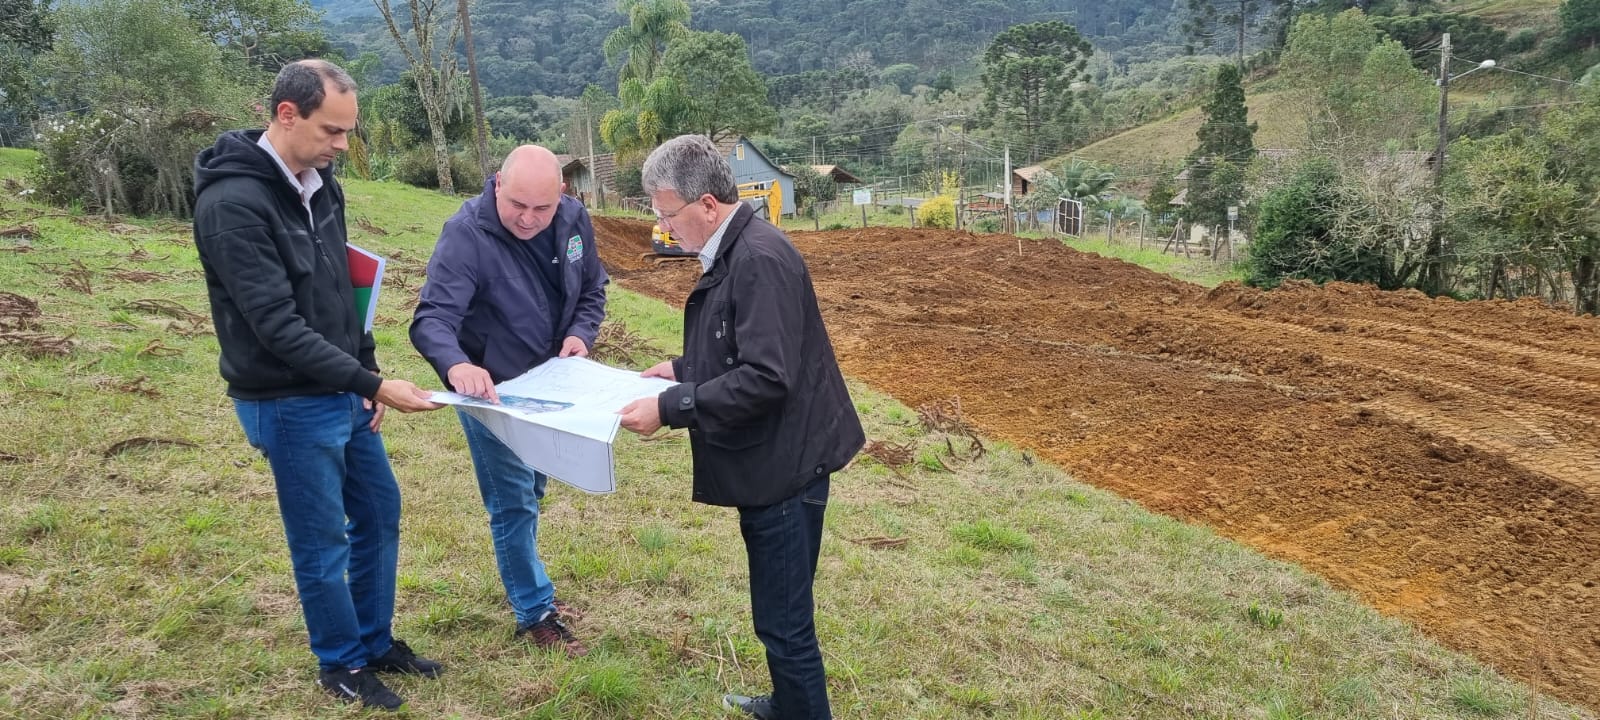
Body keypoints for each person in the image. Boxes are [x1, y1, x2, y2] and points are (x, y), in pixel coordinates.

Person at [193, 59, 443, 712]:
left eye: (347, 132)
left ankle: (374, 638)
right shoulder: (232, 205)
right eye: (332, 131)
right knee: (321, 540)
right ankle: (341, 664)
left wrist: (365, 373)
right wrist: (375, 384)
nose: (341, 147)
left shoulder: (322, 184)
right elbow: (276, 327)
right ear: (287, 115)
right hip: (287, 401)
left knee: (379, 512)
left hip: (343, 388)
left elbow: (342, 287)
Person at [617, 135, 864, 720]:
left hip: (785, 471)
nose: (664, 227)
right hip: (774, 458)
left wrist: (672, 405)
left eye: (666, 214)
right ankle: (787, 703)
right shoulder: (736, 249)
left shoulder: (758, 260)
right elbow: (742, 345)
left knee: (783, 623)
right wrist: (681, 369)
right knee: (777, 611)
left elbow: (766, 378)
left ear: (706, 204)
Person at [410, 145, 609, 657]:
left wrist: (582, 335)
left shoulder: (573, 220)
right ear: (497, 183)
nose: (528, 218)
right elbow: (432, 317)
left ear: (561, 195)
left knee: (534, 486)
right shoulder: (467, 235)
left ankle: (527, 579)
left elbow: (592, 288)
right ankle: (534, 610)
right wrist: (458, 366)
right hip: (492, 392)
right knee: (512, 501)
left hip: (553, 387)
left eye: (541, 209)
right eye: (518, 204)